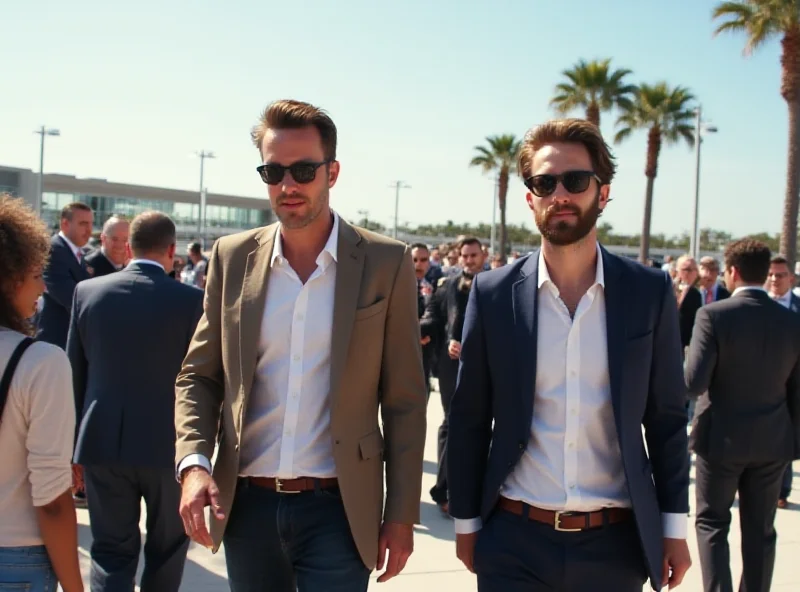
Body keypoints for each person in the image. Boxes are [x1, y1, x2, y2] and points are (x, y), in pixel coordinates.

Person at [174, 99, 427, 592]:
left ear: (332, 172)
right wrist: (194, 465)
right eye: (274, 171)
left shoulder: (384, 262)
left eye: (303, 170)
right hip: (246, 506)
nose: (288, 185)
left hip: (338, 509)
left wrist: (400, 514)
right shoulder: (232, 257)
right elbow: (199, 375)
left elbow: (405, 401)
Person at [447, 119, 691, 591]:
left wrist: (673, 527)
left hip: (614, 545)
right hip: (513, 538)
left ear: (602, 194)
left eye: (575, 181)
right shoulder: (494, 293)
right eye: (544, 182)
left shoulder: (649, 290)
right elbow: (470, 416)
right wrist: (466, 522)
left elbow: (665, 419)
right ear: (530, 197)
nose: (560, 194)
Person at [68, 212, 203, 591]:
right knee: (168, 548)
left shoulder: (87, 293)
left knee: (110, 551)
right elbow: (205, 382)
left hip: (101, 443)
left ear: (128, 247)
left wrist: (70, 448)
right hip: (169, 449)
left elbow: (73, 375)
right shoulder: (193, 301)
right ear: (173, 251)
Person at [685, 239, 800, 592]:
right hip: (772, 442)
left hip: (720, 439)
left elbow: (693, 382)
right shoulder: (791, 322)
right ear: (766, 273)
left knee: (712, 525)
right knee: (761, 532)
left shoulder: (713, 315)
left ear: (732, 272)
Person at [0, 194, 83, 592]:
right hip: (17, 555)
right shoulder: (41, 362)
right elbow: (51, 498)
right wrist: (74, 585)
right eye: (35, 274)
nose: (42, 286)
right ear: (10, 278)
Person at [36, 202, 94, 349]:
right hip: (56, 340)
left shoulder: (77, 251)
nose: (89, 230)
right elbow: (70, 296)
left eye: (90, 224)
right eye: (83, 224)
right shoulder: (54, 250)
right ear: (65, 224)